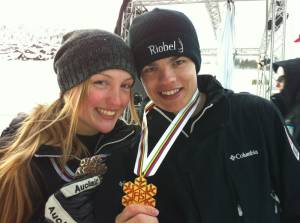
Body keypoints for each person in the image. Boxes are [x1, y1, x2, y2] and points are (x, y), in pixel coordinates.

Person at [92, 8, 300, 223]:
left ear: (195, 62)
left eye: (178, 61)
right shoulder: (131, 152)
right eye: (151, 68)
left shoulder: (256, 115)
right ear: (140, 79)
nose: (167, 79)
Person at [0, 29, 140, 223]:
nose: (117, 101)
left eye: (125, 85)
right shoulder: (23, 150)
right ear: (70, 87)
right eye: (101, 82)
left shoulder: (131, 146)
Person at [272, 58, 300, 146]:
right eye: (277, 80)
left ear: (295, 79)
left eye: (281, 79)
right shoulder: (284, 107)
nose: (277, 85)